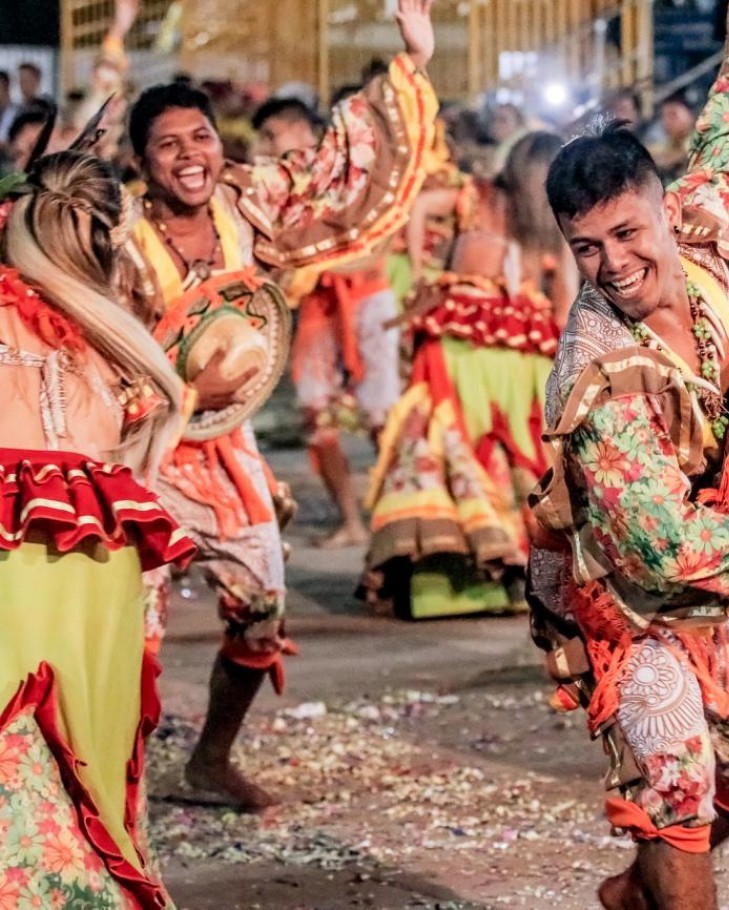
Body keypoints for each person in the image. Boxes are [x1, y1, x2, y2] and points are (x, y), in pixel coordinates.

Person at [526, 1, 729, 906]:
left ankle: (635, 891)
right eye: (587, 248)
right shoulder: (594, 375)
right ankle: (668, 860)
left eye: (627, 234)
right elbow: (660, 549)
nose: (614, 263)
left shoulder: (705, 241)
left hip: (712, 567)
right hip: (623, 594)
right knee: (677, 784)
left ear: (666, 210)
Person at [119, 0, 440, 808]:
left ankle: (208, 759)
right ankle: (106, 785)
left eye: (200, 137)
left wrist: (411, 61)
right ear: (141, 161)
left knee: (261, 603)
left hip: (227, 447)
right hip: (130, 453)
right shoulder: (114, 236)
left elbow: (334, 166)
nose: (190, 156)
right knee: (125, 628)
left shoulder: (246, 199)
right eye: (168, 145)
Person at [0, 147, 193, 908]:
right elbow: (148, 446)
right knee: (86, 746)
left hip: (15, 550)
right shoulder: (119, 343)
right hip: (99, 556)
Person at [362, 131, 570, 618]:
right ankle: (512, 577)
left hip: (465, 342)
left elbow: (416, 210)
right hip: (511, 350)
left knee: (455, 446)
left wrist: (421, 273)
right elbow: (563, 293)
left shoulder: (478, 195)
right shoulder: (534, 213)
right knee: (512, 454)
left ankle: (455, 583)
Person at [253, 95, 404, 549]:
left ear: (301, 130)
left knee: (383, 418)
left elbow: (384, 236)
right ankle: (352, 522)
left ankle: (399, 515)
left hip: (368, 300)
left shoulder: (352, 168)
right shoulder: (280, 185)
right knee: (317, 416)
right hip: (319, 311)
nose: (263, 147)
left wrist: (313, 263)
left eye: (270, 135)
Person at [649, 92, 697, 184]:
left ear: (691, 114)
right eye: (664, 116)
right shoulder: (669, 143)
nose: (666, 122)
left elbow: (686, 153)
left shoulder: (700, 141)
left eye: (672, 115)